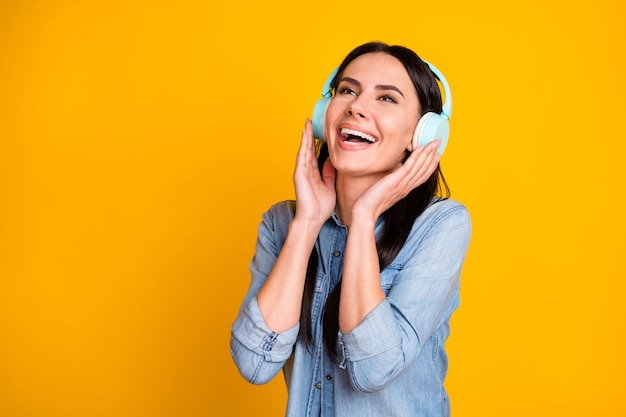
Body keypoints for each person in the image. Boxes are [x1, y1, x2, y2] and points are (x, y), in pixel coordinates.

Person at [230, 41, 471, 417]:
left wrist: (363, 218)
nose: (357, 106)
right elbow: (254, 364)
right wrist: (307, 223)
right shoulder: (282, 223)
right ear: (326, 111)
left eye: (387, 99)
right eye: (347, 90)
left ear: (422, 135)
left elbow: (374, 369)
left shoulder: (440, 225)